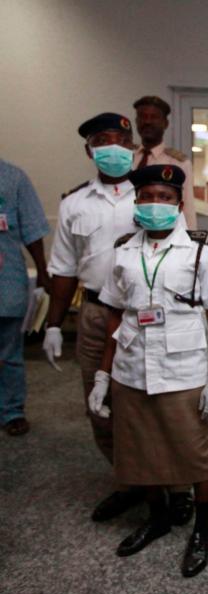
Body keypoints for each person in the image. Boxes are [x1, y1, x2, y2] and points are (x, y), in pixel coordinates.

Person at [90, 164, 208, 577]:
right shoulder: (123, 250)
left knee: (193, 453)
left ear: (179, 204)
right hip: (132, 369)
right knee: (141, 450)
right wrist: (103, 375)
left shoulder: (200, 249)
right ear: (137, 202)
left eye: (165, 198)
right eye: (149, 197)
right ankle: (155, 518)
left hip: (182, 369)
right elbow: (116, 316)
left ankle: (202, 530)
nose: (156, 205)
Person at [43, 112, 148, 521]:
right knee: (100, 404)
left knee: (150, 403)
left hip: (144, 314)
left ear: (133, 147)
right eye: (102, 141)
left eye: (121, 139)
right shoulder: (74, 203)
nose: (113, 147)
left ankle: (171, 486)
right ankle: (128, 483)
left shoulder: (154, 194)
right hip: (94, 313)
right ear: (90, 150)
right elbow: (64, 268)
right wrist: (53, 323)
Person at [0, 160, 51, 436]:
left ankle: (12, 410)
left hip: (5, 278)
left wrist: (43, 271)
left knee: (9, 352)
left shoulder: (13, 177)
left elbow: (32, 227)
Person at [132, 95, 197, 228]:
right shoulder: (127, 157)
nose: (147, 122)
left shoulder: (178, 162)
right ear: (136, 121)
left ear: (165, 123)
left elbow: (187, 207)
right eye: (143, 117)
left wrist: (190, 240)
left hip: (162, 235)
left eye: (154, 117)